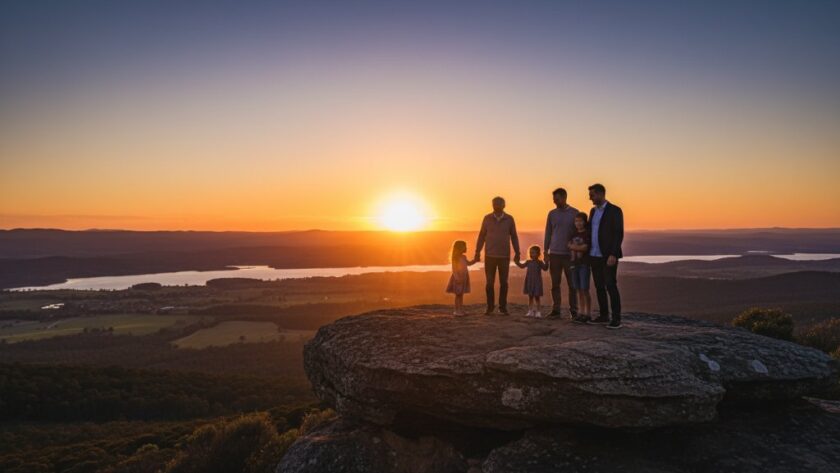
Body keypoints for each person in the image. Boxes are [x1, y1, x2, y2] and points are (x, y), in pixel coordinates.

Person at [475, 196, 521, 315]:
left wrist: (518, 252)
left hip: (504, 256)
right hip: (490, 256)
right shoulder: (487, 218)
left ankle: (502, 307)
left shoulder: (509, 219)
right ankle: (490, 307)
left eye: (499, 203)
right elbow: (481, 236)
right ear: (492, 205)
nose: (497, 205)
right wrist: (477, 251)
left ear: (504, 205)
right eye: (495, 203)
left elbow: (514, 236)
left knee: (504, 283)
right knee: (489, 283)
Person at [587, 183, 624, 329]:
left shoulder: (615, 211)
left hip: (608, 255)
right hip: (594, 254)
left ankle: (616, 318)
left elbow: (618, 233)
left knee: (610, 285)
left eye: (592, 195)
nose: (590, 198)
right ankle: (603, 315)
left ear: (601, 194)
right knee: (599, 286)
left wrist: (613, 254)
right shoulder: (592, 211)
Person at [544, 188, 579, 318]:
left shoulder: (575, 213)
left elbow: (579, 233)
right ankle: (556, 310)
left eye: (556, 199)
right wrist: (545, 251)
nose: (554, 201)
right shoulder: (551, 214)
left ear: (564, 197)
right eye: (553, 199)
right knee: (555, 284)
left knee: (572, 284)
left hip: (569, 255)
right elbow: (548, 233)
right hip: (554, 254)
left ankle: (574, 311)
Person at [567, 212, 592, 323]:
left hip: (584, 264)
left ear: (585, 222)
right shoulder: (573, 234)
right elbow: (568, 246)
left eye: (581, 221)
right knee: (578, 290)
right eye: (576, 221)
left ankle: (588, 313)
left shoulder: (587, 234)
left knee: (585, 289)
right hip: (574, 265)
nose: (578, 223)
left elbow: (585, 248)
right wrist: (577, 247)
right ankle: (581, 313)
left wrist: (573, 247)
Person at [514, 245, 549, 318]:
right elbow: (522, 266)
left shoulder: (539, 262)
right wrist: (517, 262)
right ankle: (530, 311)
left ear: (538, 254)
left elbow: (545, 268)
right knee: (530, 297)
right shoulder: (528, 262)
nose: (531, 254)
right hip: (529, 281)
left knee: (537, 297)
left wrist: (547, 261)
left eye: (533, 253)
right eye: (530, 253)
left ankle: (538, 312)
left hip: (537, 282)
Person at [446, 240, 478, 316]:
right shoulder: (455, 258)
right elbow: (454, 269)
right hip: (458, 278)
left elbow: (469, 264)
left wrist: (475, 260)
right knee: (458, 295)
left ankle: (460, 310)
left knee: (461, 295)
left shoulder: (464, 257)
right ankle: (457, 311)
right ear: (460, 248)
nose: (466, 248)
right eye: (464, 246)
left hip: (464, 278)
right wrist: (457, 278)